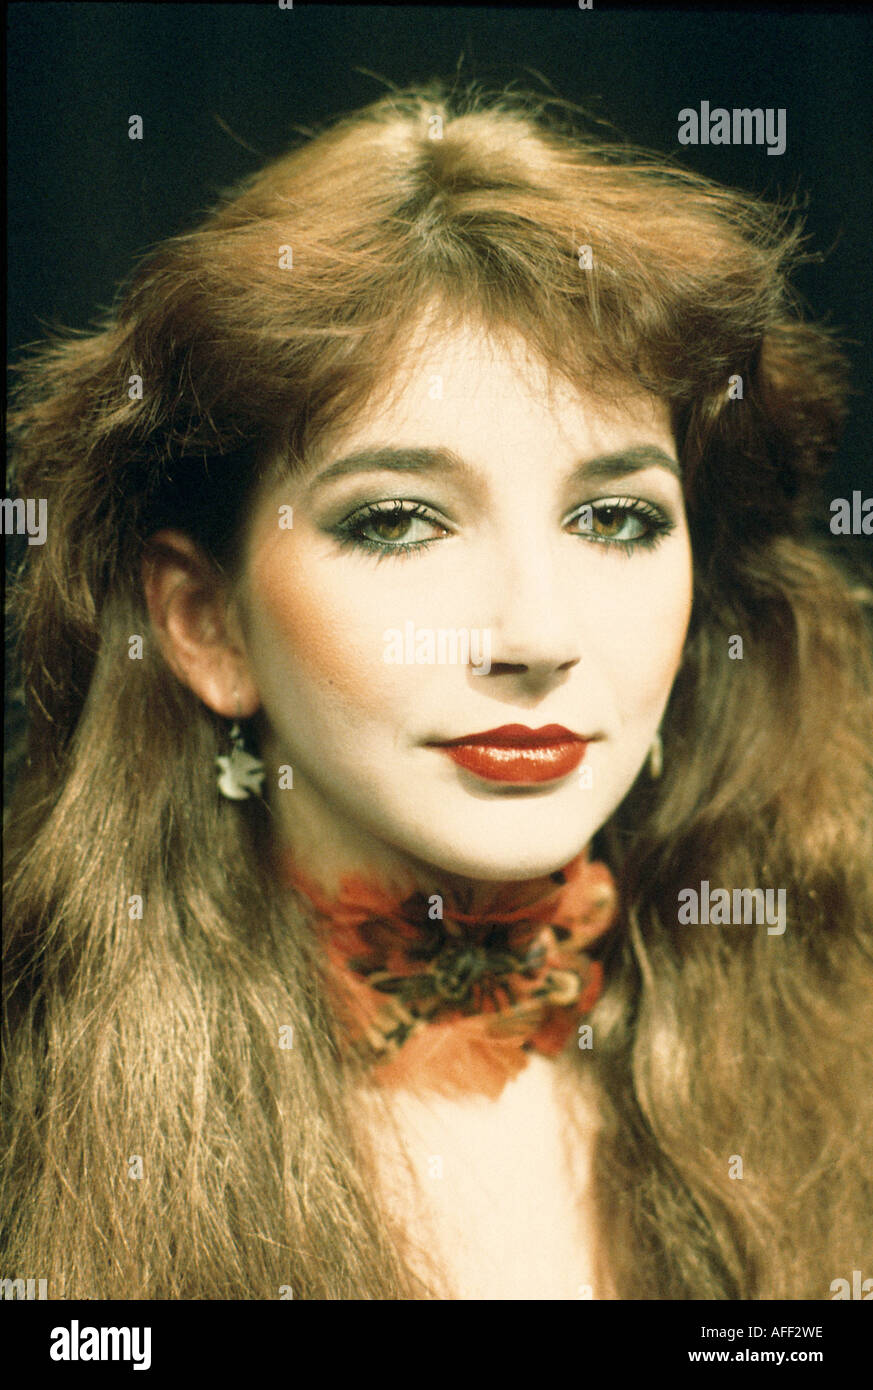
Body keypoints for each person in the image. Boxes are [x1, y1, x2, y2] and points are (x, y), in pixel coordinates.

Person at [3, 81, 872, 1301]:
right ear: (205, 624)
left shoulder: (845, 1071)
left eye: (617, 517)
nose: (538, 633)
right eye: (402, 520)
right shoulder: (34, 1149)